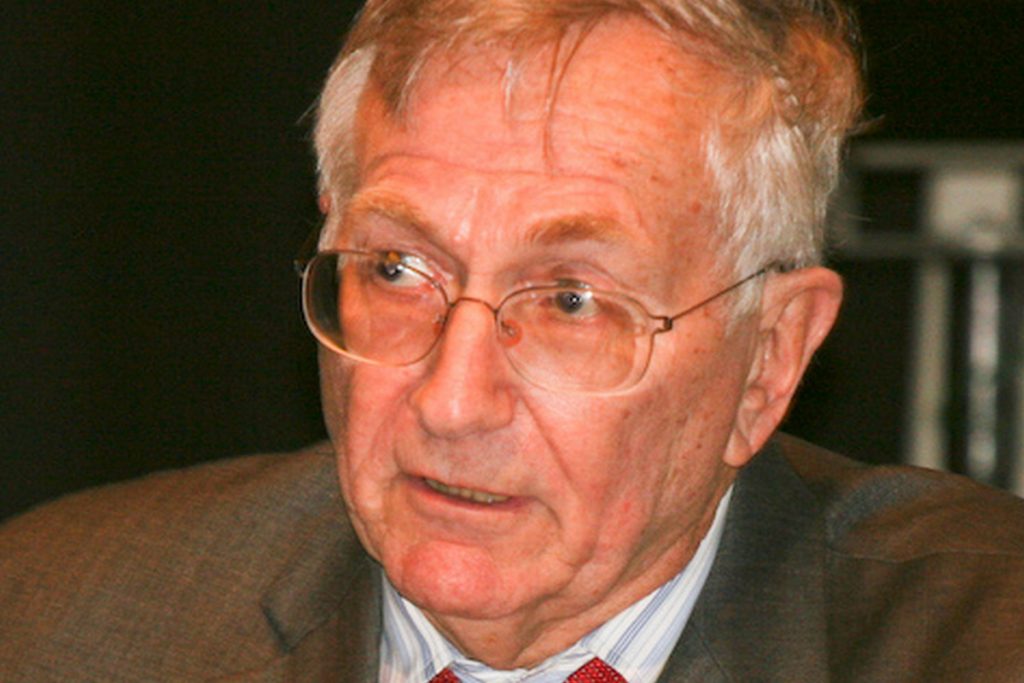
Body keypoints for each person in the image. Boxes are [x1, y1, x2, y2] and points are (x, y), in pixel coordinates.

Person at [2, 0, 1024, 680]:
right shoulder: (49, 621)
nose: (451, 402)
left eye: (571, 300)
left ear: (768, 358)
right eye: (396, 269)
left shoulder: (978, 637)